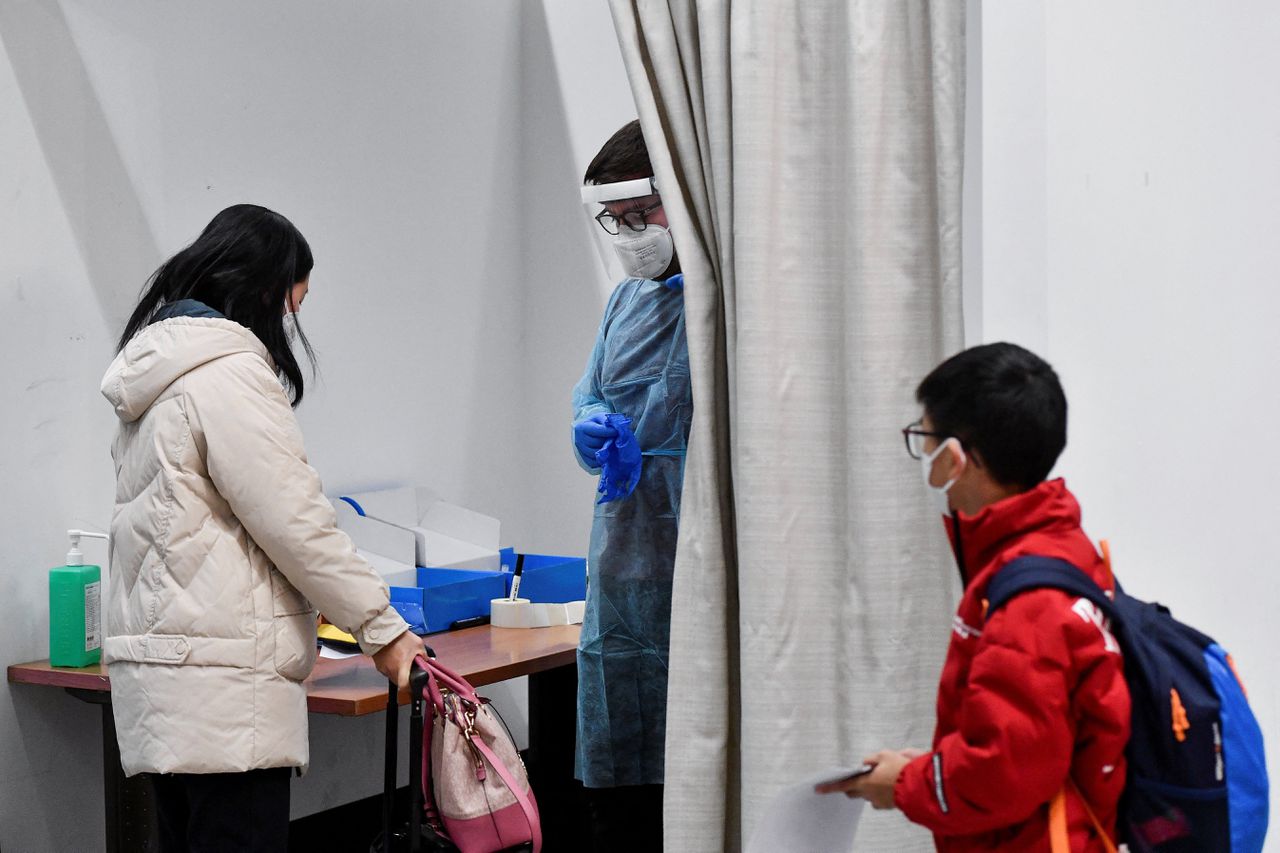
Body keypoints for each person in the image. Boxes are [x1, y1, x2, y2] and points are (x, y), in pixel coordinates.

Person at [101, 204, 425, 852]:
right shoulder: (227, 374)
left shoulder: (156, 375)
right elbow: (297, 524)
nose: (287, 325)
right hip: (226, 705)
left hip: (162, 694)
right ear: (259, 290)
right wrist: (384, 631)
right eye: (287, 304)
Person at [817, 343, 1130, 852]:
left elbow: (1003, 772)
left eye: (925, 437)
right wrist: (927, 768)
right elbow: (1024, 739)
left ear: (958, 457)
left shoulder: (1029, 603)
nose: (923, 455)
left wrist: (902, 785)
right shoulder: (1061, 548)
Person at [571, 120, 691, 852]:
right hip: (622, 576)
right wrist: (591, 427)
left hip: (693, 573)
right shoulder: (624, 302)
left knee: (689, 784)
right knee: (618, 799)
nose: (630, 233)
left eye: (641, 214)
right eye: (616, 220)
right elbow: (590, 397)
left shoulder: (726, 311)